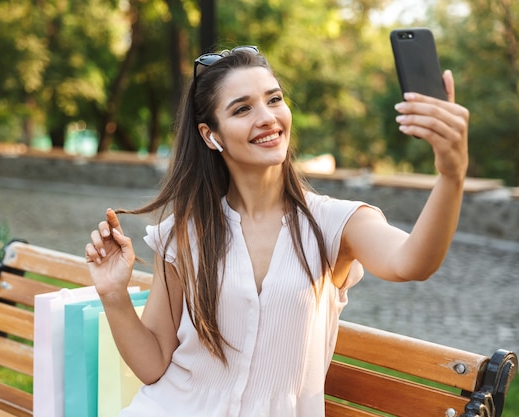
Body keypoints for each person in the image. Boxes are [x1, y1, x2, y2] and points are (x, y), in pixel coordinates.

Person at [84, 46, 469, 416]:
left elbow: (411, 263)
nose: (267, 117)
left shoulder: (337, 223)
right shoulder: (185, 232)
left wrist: (451, 175)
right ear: (209, 135)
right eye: (242, 109)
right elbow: (153, 364)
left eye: (274, 99)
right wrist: (113, 293)